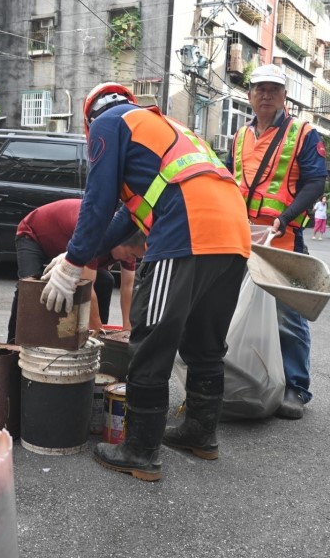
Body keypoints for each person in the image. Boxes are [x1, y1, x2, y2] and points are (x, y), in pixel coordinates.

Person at [40, 83, 250, 482]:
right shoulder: (160, 126)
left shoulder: (107, 123)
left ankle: (140, 450)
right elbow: (122, 219)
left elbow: (98, 202)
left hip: (187, 230)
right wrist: (73, 256)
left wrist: (73, 263)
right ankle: (200, 434)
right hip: (233, 233)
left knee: (151, 339)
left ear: (89, 121)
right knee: (204, 344)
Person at [225, 63, 328, 420]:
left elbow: (316, 182)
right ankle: (247, 376)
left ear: (285, 95)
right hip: (239, 235)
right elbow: (228, 180)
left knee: (288, 316)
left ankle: (296, 388)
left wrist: (285, 218)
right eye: (259, 89)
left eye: (274, 89)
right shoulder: (239, 136)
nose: (266, 94)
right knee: (233, 309)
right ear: (249, 95)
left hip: (281, 239)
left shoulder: (303, 133)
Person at [6, 198, 144, 344]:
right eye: (132, 255)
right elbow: (87, 285)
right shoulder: (96, 235)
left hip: (66, 246)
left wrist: (127, 330)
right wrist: (96, 326)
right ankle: (13, 343)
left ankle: (94, 337)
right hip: (34, 234)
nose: (131, 259)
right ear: (119, 241)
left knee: (105, 281)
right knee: (29, 288)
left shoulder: (127, 240)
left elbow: (128, 287)